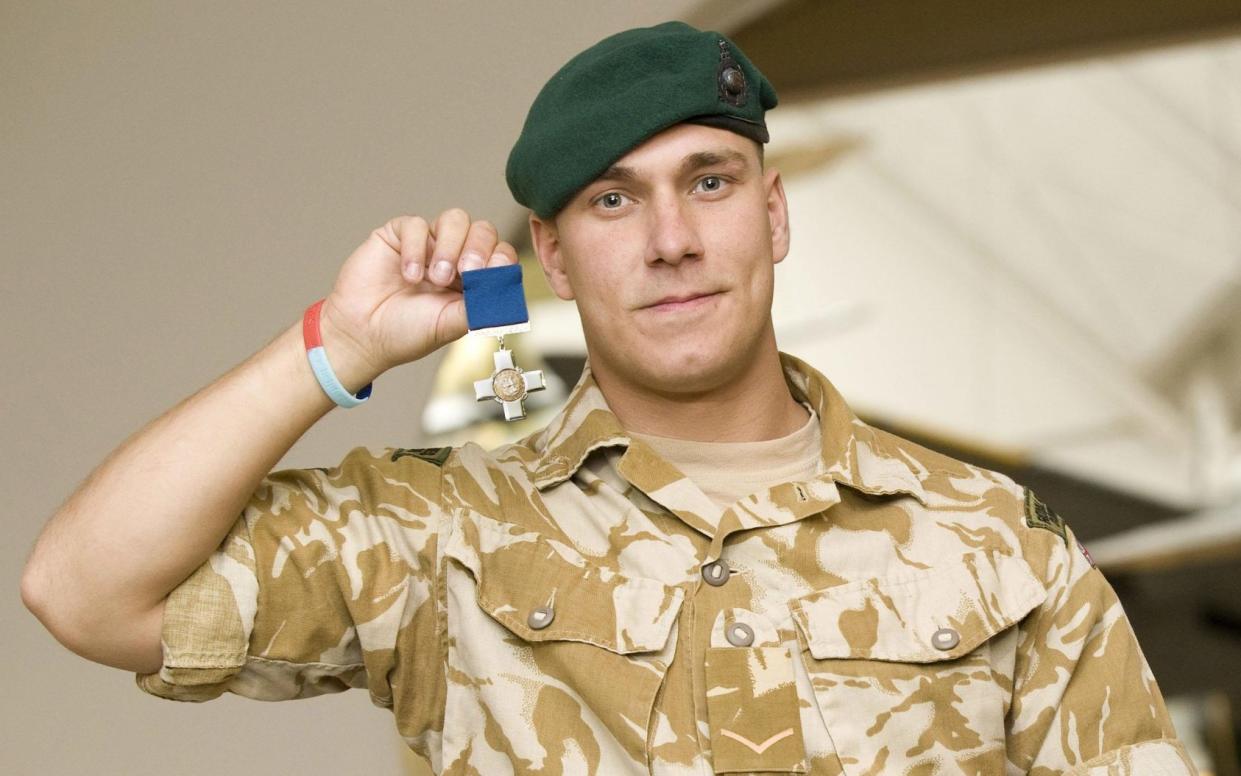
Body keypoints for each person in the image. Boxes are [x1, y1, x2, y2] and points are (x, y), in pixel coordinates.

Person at [21, 21, 1195, 776]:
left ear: (771, 213)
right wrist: (333, 347)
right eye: (613, 202)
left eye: (709, 180)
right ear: (554, 252)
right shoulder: (445, 532)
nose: (673, 240)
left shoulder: (991, 541)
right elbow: (83, 591)